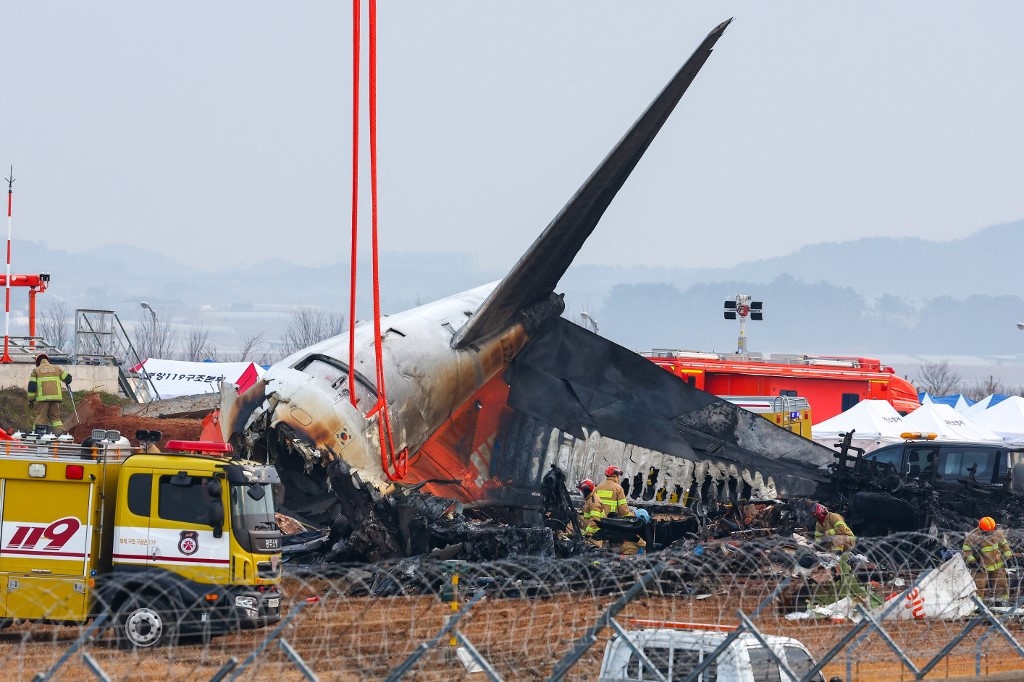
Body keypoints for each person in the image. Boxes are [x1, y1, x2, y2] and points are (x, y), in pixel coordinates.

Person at [962, 516, 1014, 606]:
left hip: (997, 564)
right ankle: (977, 606)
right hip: (980, 565)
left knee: (1001, 583)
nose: (990, 532)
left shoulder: (997, 533)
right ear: (981, 529)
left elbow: (1004, 545)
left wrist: (1008, 557)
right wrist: (973, 562)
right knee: (978, 586)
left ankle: (1000, 603)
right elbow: (966, 549)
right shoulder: (973, 536)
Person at [27, 354, 72, 435]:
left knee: (41, 418)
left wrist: (31, 400)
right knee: (55, 419)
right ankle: (60, 433)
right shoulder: (56, 369)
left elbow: (32, 387)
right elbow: (69, 378)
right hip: (56, 399)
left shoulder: (36, 370)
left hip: (42, 399)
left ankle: (38, 436)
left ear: (38, 362)